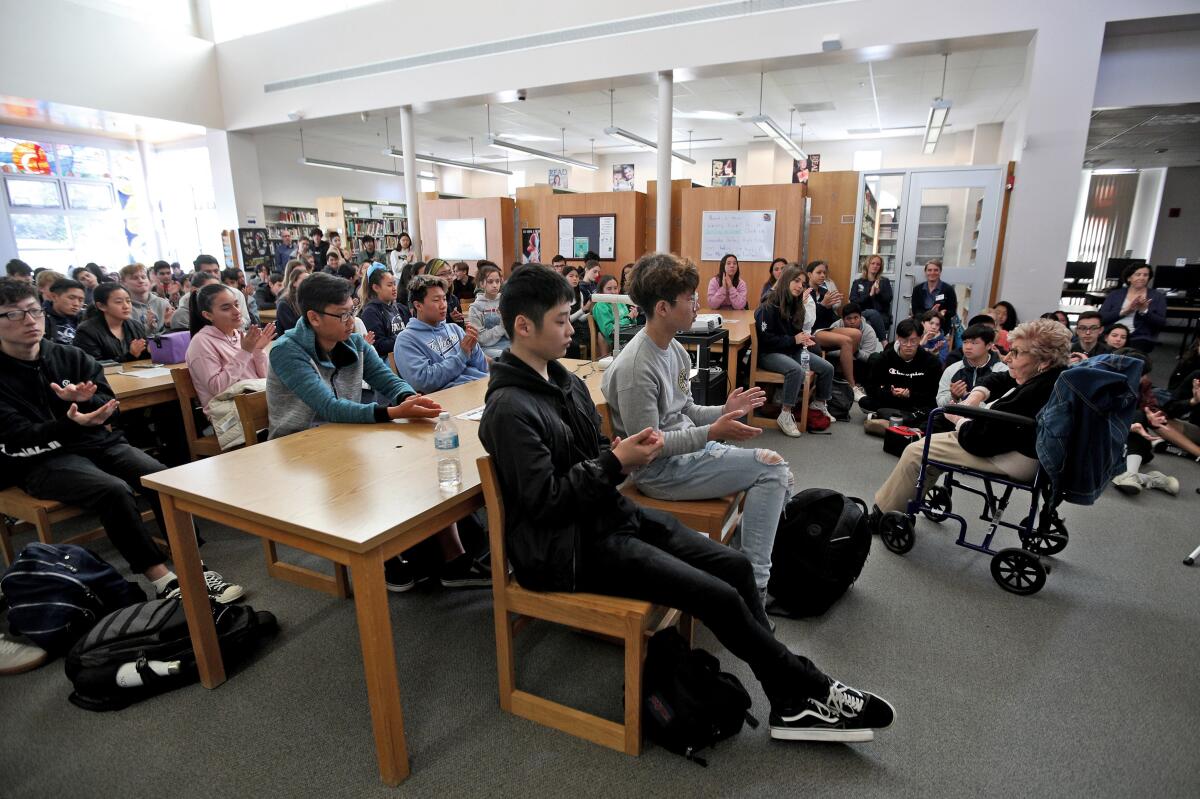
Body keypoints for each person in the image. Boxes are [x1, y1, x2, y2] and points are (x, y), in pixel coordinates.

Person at [479, 265, 896, 743]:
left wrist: (615, 457)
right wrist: (617, 461)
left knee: (734, 567)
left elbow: (592, 456)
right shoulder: (509, 409)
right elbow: (546, 503)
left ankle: (786, 689)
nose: (572, 328)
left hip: (603, 519)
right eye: (560, 321)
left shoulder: (564, 382)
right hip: (564, 551)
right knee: (715, 593)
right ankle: (804, 688)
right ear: (523, 327)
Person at [0, 278, 243, 604]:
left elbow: (109, 408)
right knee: (112, 491)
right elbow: (16, 436)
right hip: (41, 458)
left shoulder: (68, 356)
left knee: (159, 474)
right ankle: (162, 579)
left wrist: (85, 405)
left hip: (95, 442)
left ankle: (192, 566)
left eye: (33, 311)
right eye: (14, 315)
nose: (30, 321)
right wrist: (70, 422)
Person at [266, 273, 488, 590]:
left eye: (352, 310)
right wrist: (394, 412)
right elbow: (327, 407)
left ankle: (448, 555)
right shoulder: (287, 351)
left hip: (347, 434)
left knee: (420, 455)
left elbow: (388, 380)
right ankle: (394, 556)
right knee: (393, 469)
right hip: (299, 447)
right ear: (313, 317)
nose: (350, 321)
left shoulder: (353, 341)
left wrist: (410, 398)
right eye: (342, 314)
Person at [604, 253, 795, 596]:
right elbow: (649, 449)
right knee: (773, 470)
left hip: (687, 455)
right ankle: (755, 588)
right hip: (660, 474)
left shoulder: (674, 349)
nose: (697, 304)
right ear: (662, 308)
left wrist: (725, 410)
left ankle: (737, 569)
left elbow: (686, 410)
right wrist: (712, 432)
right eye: (690, 298)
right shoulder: (636, 367)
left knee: (780, 474)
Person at [872, 318, 1071, 521]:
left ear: (1044, 361)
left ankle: (883, 513)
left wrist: (959, 419)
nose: (1007, 358)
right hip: (1022, 449)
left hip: (1010, 455)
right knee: (933, 450)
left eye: (1016, 352)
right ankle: (909, 498)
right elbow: (1001, 379)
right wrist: (977, 394)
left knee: (916, 451)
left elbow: (979, 442)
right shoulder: (1053, 377)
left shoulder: (1033, 392)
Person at [754, 264, 836, 436]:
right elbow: (766, 339)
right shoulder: (768, 305)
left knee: (827, 368)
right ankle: (785, 414)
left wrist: (802, 339)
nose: (800, 286)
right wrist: (794, 339)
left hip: (791, 350)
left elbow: (795, 332)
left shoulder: (795, 304)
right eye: (796, 281)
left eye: (803, 283)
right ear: (786, 281)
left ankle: (819, 404)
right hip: (769, 354)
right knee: (796, 370)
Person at [184, 283, 273, 416]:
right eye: (226, 308)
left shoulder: (239, 335)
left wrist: (258, 350)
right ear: (208, 315)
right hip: (230, 414)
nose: (237, 312)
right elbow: (217, 388)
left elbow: (264, 379)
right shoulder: (201, 343)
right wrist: (245, 352)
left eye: (236, 305)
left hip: (255, 403)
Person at [394, 274, 488, 393]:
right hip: (450, 398)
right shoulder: (407, 340)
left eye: (444, 299)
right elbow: (423, 382)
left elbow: (482, 368)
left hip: (477, 387)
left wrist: (473, 349)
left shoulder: (454, 329)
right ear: (418, 305)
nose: (443, 305)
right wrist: (462, 355)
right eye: (436, 300)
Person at [859, 318, 943, 416]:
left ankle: (888, 416)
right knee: (864, 402)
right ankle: (901, 417)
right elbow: (871, 387)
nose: (908, 345)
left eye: (913, 341)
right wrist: (891, 393)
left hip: (915, 403)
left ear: (920, 339)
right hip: (889, 401)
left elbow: (932, 394)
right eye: (904, 341)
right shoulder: (884, 358)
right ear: (898, 338)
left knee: (933, 410)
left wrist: (909, 394)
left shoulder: (931, 362)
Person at [807, 260, 865, 400]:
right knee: (845, 341)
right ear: (809, 274)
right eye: (818, 272)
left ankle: (841, 373)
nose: (822, 276)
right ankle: (852, 385)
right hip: (811, 331)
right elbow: (807, 318)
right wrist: (822, 305)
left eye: (824, 273)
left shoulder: (824, 290)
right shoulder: (804, 291)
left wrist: (830, 306)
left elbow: (827, 317)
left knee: (856, 334)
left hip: (825, 328)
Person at [1099, 263, 1167, 353]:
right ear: (1129, 278)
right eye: (1138, 274)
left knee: (1132, 356)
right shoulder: (1115, 294)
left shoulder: (1157, 296)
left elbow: (1161, 322)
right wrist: (1125, 311)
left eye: (1145, 275)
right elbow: (1102, 318)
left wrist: (1144, 311)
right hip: (1113, 333)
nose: (1142, 278)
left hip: (1139, 336)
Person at [936, 324, 1007, 408]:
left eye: (974, 343)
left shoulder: (1002, 371)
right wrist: (953, 397)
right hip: (954, 419)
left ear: (988, 345)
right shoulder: (952, 369)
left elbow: (1002, 407)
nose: (968, 347)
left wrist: (968, 398)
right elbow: (940, 403)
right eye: (965, 342)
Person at [73, 284, 148, 363]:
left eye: (128, 301)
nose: (126, 306)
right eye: (119, 302)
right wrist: (130, 355)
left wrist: (150, 350)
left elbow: (142, 357)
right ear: (101, 306)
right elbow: (92, 365)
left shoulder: (136, 326)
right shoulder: (87, 331)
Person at [358, 263, 409, 362]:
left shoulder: (400, 308)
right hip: (388, 360)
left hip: (405, 353)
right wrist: (405, 339)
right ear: (376, 288)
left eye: (394, 284)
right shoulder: (370, 312)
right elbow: (379, 345)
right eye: (389, 285)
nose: (394, 288)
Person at [193, 254, 251, 331]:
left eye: (216, 271)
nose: (214, 275)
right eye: (208, 272)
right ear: (198, 274)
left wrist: (233, 322)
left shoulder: (235, 293)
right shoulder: (192, 297)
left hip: (237, 335)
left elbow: (246, 319)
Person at [829, 302, 883, 382]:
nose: (852, 321)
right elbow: (827, 350)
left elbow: (868, 356)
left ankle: (861, 385)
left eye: (856, 318)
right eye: (849, 318)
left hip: (859, 363)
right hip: (838, 361)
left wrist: (855, 352)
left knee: (874, 360)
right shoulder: (835, 326)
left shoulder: (869, 331)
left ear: (860, 317)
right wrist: (846, 352)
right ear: (843, 319)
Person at [468, 263, 509, 358]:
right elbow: (480, 338)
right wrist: (502, 327)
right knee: (508, 357)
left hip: (509, 343)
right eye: (490, 282)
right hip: (488, 349)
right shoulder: (475, 307)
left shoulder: (506, 301)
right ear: (482, 284)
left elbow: (514, 330)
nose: (495, 285)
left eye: (497, 281)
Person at [848, 254, 894, 340]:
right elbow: (853, 301)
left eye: (878, 264)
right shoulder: (858, 282)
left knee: (870, 321)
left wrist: (878, 293)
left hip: (880, 315)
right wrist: (870, 295)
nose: (875, 266)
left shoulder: (884, 281)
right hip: (862, 314)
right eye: (872, 263)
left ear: (880, 267)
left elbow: (888, 300)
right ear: (867, 265)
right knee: (870, 315)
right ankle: (884, 342)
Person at [120, 263, 173, 334]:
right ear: (123, 283)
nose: (141, 281)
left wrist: (169, 325)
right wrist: (148, 328)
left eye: (144, 277)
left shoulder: (163, 303)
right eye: (135, 278)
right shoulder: (123, 308)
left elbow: (175, 334)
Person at [591, 274, 634, 349]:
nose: (613, 292)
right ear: (601, 291)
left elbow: (631, 324)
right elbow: (610, 331)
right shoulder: (600, 306)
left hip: (626, 338)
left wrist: (633, 316)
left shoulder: (620, 302)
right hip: (615, 343)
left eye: (615, 288)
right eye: (609, 289)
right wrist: (629, 318)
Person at [910, 259, 957, 326]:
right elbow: (915, 311)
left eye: (936, 270)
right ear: (925, 272)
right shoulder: (917, 289)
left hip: (941, 325)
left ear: (940, 272)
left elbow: (952, 311)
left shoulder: (948, 289)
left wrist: (940, 313)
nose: (932, 273)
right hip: (921, 324)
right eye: (929, 270)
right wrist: (930, 314)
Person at [42, 278, 86, 346]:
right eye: (71, 298)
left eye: (80, 300)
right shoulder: (40, 319)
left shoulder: (84, 319)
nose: (76, 304)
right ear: (54, 297)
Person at [563, 266, 593, 359]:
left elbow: (580, 318)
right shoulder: (561, 295)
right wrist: (583, 309)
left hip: (578, 330)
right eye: (571, 276)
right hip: (566, 329)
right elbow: (567, 320)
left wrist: (592, 312)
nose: (575, 279)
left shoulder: (579, 293)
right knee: (573, 345)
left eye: (576, 276)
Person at [272, 261, 309, 338]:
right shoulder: (284, 302)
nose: (309, 283)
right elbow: (294, 331)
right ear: (294, 282)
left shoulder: (308, 298)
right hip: (292, 343)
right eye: (305, 280)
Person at [428, 259, 465, 325]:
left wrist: (459, 319)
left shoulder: (453, 299)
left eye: (450, 273)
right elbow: (428, 325)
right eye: (443, 274)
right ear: (431, 276)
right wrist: (449, 319)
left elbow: (460, 328)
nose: (449, 277)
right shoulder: (426, 299)